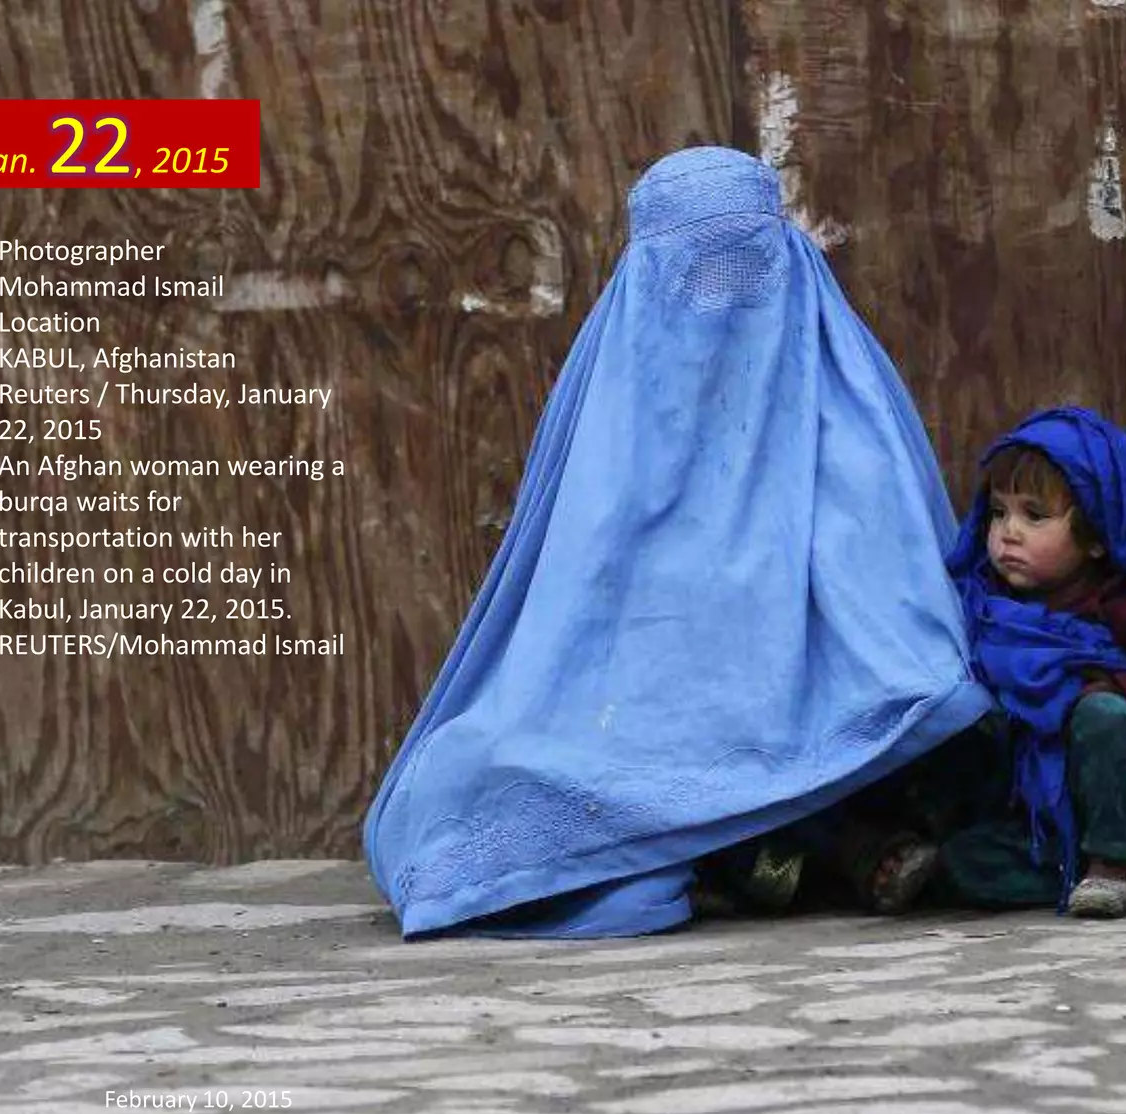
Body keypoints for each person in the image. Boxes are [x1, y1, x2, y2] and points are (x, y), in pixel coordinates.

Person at [362, 146, 991, 938]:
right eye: (693, 275)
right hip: (634, 722)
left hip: (818, 709)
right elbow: (573, 630)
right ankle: (778, 846)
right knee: (465, 790)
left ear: (785, 260)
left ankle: (789, 843)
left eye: (743, 268)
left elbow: (899, 607)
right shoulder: (612, 419)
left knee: (932, 714)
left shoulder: (843, 404)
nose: (719, 303)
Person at [930, 409, 1126, 919]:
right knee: (962, 863)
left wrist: (1123, 688)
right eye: (998, 513)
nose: (1008, 533)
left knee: (1100, 715)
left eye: (1034, 516)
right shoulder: (992, 611)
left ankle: (1118, 865)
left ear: (1097, 535)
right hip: (1068, 815)